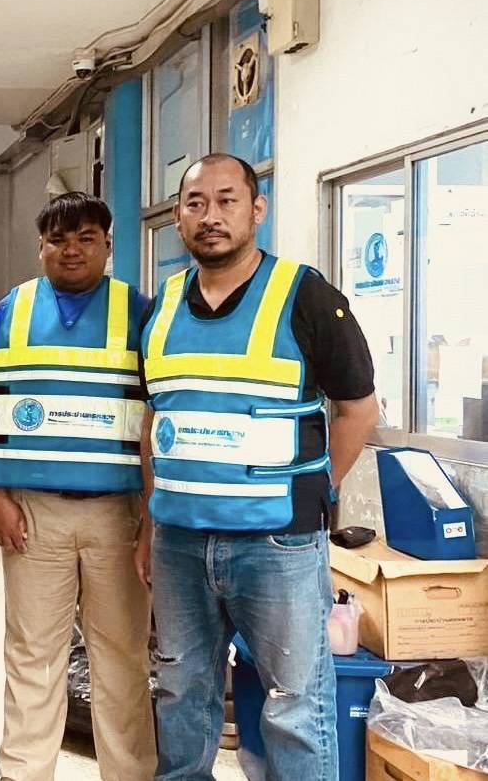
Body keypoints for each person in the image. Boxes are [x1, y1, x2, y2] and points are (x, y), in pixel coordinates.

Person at [136, 153, 378, 781]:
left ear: (256, 210)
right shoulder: (162, 306)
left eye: (227, 200)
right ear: (178, 217)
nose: (210, 216)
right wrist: (149, 524)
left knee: (294, 704)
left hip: (278, 545)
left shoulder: (306, 295)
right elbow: (154, 420)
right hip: (179, 541)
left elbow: (358, 410)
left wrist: (314, 489)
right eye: (195, 203)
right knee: (180, 692)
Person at [0, 191, 157, 781]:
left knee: (122, 657)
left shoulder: (141, 312)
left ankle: (129, 774)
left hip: (118, 515)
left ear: (108, 246)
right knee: (32, 655)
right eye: (58, 239)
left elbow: (160, 412)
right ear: (40, 247)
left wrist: (151, 520)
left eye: (85, 238)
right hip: (31, 513)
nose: (71, 250)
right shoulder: (11, 309)